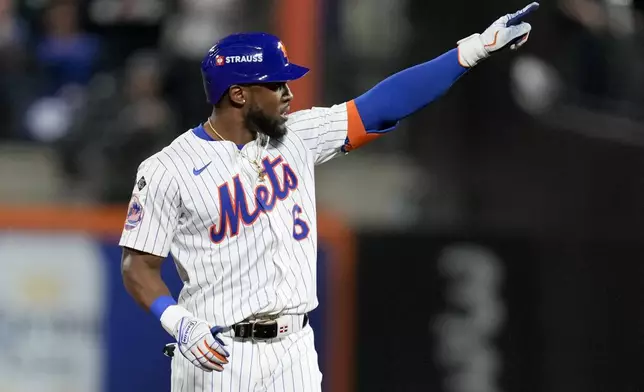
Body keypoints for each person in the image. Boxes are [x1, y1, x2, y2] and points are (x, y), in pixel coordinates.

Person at [119, 3, 538, 391]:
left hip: (294, 349)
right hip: (217, 352)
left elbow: (382, 106)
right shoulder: (167, 168)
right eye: (276, 84)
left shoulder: (297, 135)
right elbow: (138, 264)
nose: (289, 93)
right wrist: (179, 323)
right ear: (239, 94)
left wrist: (473, 50)